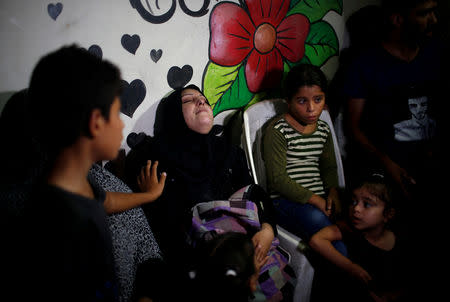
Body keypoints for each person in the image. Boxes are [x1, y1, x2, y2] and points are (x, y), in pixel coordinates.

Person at [8, 45, 165, 302]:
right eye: (115, 114)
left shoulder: (86, 185)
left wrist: (148, 195)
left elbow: (109, 203)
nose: (123, 123)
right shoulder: (52, 211)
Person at [124, 84, 293, 301]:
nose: (201, 101)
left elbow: (255, 193)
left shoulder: (229, 153)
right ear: (173, 115)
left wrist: (268, 230)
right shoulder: (153, 160)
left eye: (203, 98)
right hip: (204, 269)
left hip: (251, 253)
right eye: (188, 100)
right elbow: (164, 233)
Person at [342, 0, 444, 222]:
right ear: (398, 19)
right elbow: (353, 128)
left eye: (434, 12)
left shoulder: (435, 54)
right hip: (385, 169)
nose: (433, 20)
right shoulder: (366, 64)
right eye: (425, 13)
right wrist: (388, 165)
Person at [262, 63, 345, 255]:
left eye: (318, 99)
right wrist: (316, 200)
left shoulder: (323, 129)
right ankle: (348, 269)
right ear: (288, 101)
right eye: (302, 101)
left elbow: (329, 166)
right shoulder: (278, 130)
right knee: (321, 224)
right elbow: (278, 180)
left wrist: (333, 192)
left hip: (319, 200)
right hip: (285, 202)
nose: (311, 108)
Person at [309, 173, 411, 302]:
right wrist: (350, 267)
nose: (356, 208)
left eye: (367, 204)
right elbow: (316, 240)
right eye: (354, 201)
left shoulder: (400, 242)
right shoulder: (349, 231)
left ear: (388, 214)